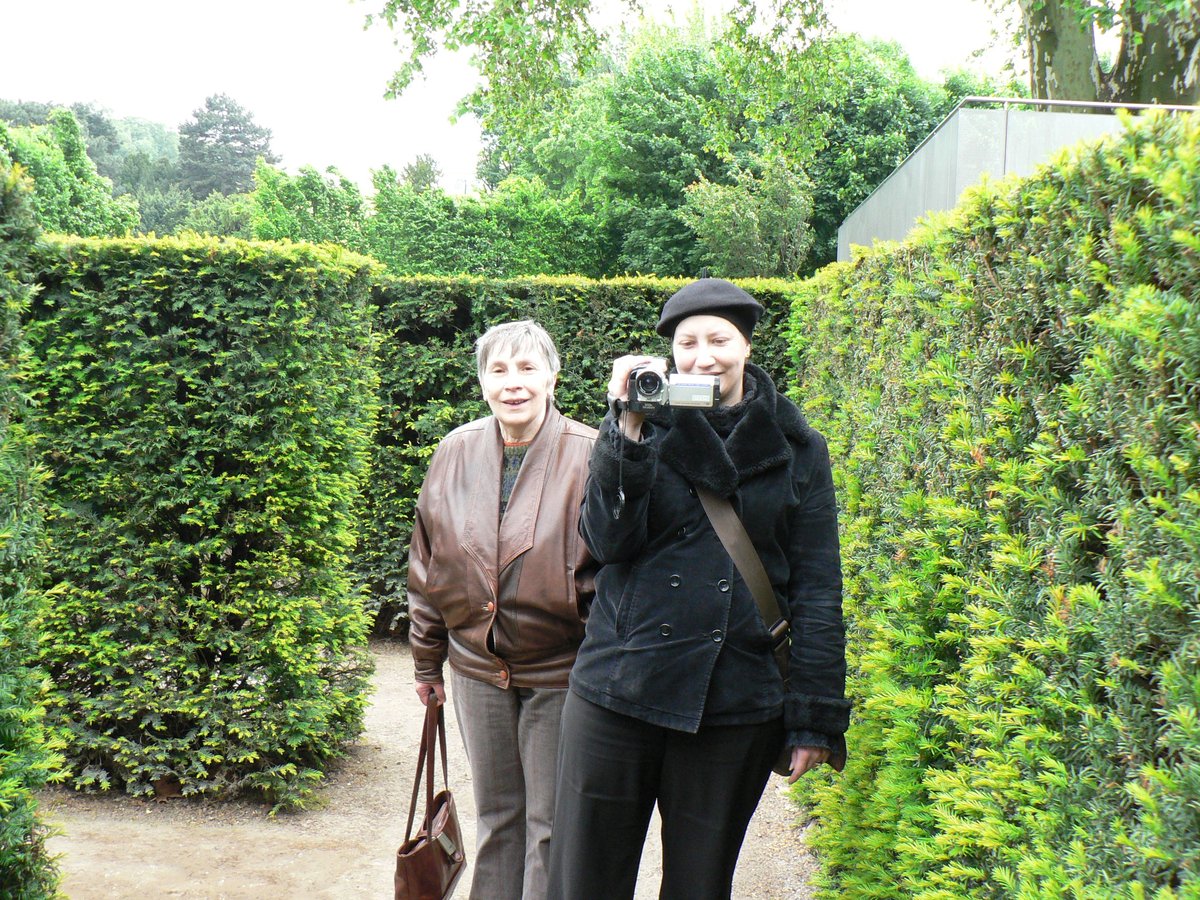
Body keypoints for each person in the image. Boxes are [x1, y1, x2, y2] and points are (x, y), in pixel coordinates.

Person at [547, 279, 849, 900]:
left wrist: (813, 719)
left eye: (719, 339)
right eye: (687, 343)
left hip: (735, 701)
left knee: (699, 885)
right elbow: (605, 542)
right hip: (620, 687)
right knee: (583, 881)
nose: (703, 355)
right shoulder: (640, 424)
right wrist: (625, 430)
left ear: (747, 345)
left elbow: (818, 587)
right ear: (670, 352)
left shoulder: (798, 447)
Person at [407, 319, 598, 900]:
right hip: (475, 669)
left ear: (552, 378)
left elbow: (611, 570)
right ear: (483, 383)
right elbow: (427, 561)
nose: (513, 383)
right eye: (499, 370)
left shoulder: (592, 453)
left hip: (561, 672)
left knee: (550, 824)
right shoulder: (454, 451)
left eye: (527, 368)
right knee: (496, 816)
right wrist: (426, 662)